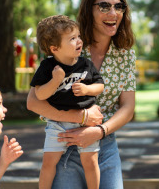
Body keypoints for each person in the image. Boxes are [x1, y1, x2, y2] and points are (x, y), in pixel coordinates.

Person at [27, 0, 136, 189]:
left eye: (119, 6)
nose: (113, 12)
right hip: (64, 144)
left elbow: (128, 107)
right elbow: (33, 102)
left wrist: (100, 131)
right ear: (89, 10)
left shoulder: (125, 55)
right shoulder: (69, 44)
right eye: (104, 6)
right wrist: (81, 117)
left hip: (104, 147)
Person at [31, 15, 105, 189]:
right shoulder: (47, 67)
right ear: (54, 48)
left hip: (87, 124)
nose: (79, 40)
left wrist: (87, 90)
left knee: (90, 161)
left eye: (78, 36)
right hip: (57, 124)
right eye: (72, 38)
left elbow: (100, 85)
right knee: (48, 162)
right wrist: (55, 81)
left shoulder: (85, 64)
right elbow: (40, 94)